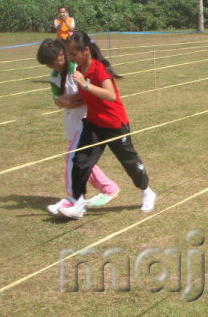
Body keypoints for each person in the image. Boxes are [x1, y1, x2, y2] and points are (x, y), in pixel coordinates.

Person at [58, 31, 156, 219]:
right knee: (80, 161)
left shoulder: (100, 68)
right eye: (69, 55)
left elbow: (110, 95)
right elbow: (87, 97)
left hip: (114, 124)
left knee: (130, 162)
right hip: (93, 123)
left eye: (74, 54)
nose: (71, 59)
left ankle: (147, 191)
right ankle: (78, 204)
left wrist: (85, 85)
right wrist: (68, 99)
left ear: (86, 50)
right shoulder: (79, 71)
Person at [36, 39, 120, 216]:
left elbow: (89, 93)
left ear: (61, 55)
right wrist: (65, 102)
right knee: (81, 159)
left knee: (73, 158)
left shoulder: (77, 68)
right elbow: (58, 99)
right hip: (70, 121)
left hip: (86, 118)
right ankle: (108, 187)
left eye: (52, 61)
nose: (52, 66)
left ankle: (72, 198)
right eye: (47, 64)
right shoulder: (54, 75)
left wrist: (73, 100)